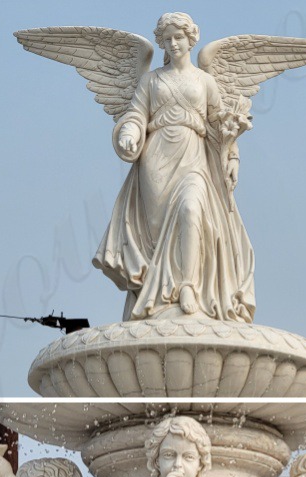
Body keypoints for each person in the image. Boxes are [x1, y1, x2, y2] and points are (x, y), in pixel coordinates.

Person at [93, 12, 255, 323]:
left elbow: (220, 125)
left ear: (191, 38)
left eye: (178, 37)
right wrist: (129, 133)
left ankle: (188, 286)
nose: (173, 43)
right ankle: (161, 293)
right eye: (167, 39)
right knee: (159, 232)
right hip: (155, 161)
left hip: (194, 156)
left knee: (192, 209)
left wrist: (232, 156)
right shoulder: (150, 80)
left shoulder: (205, 81)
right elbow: (137, 114)